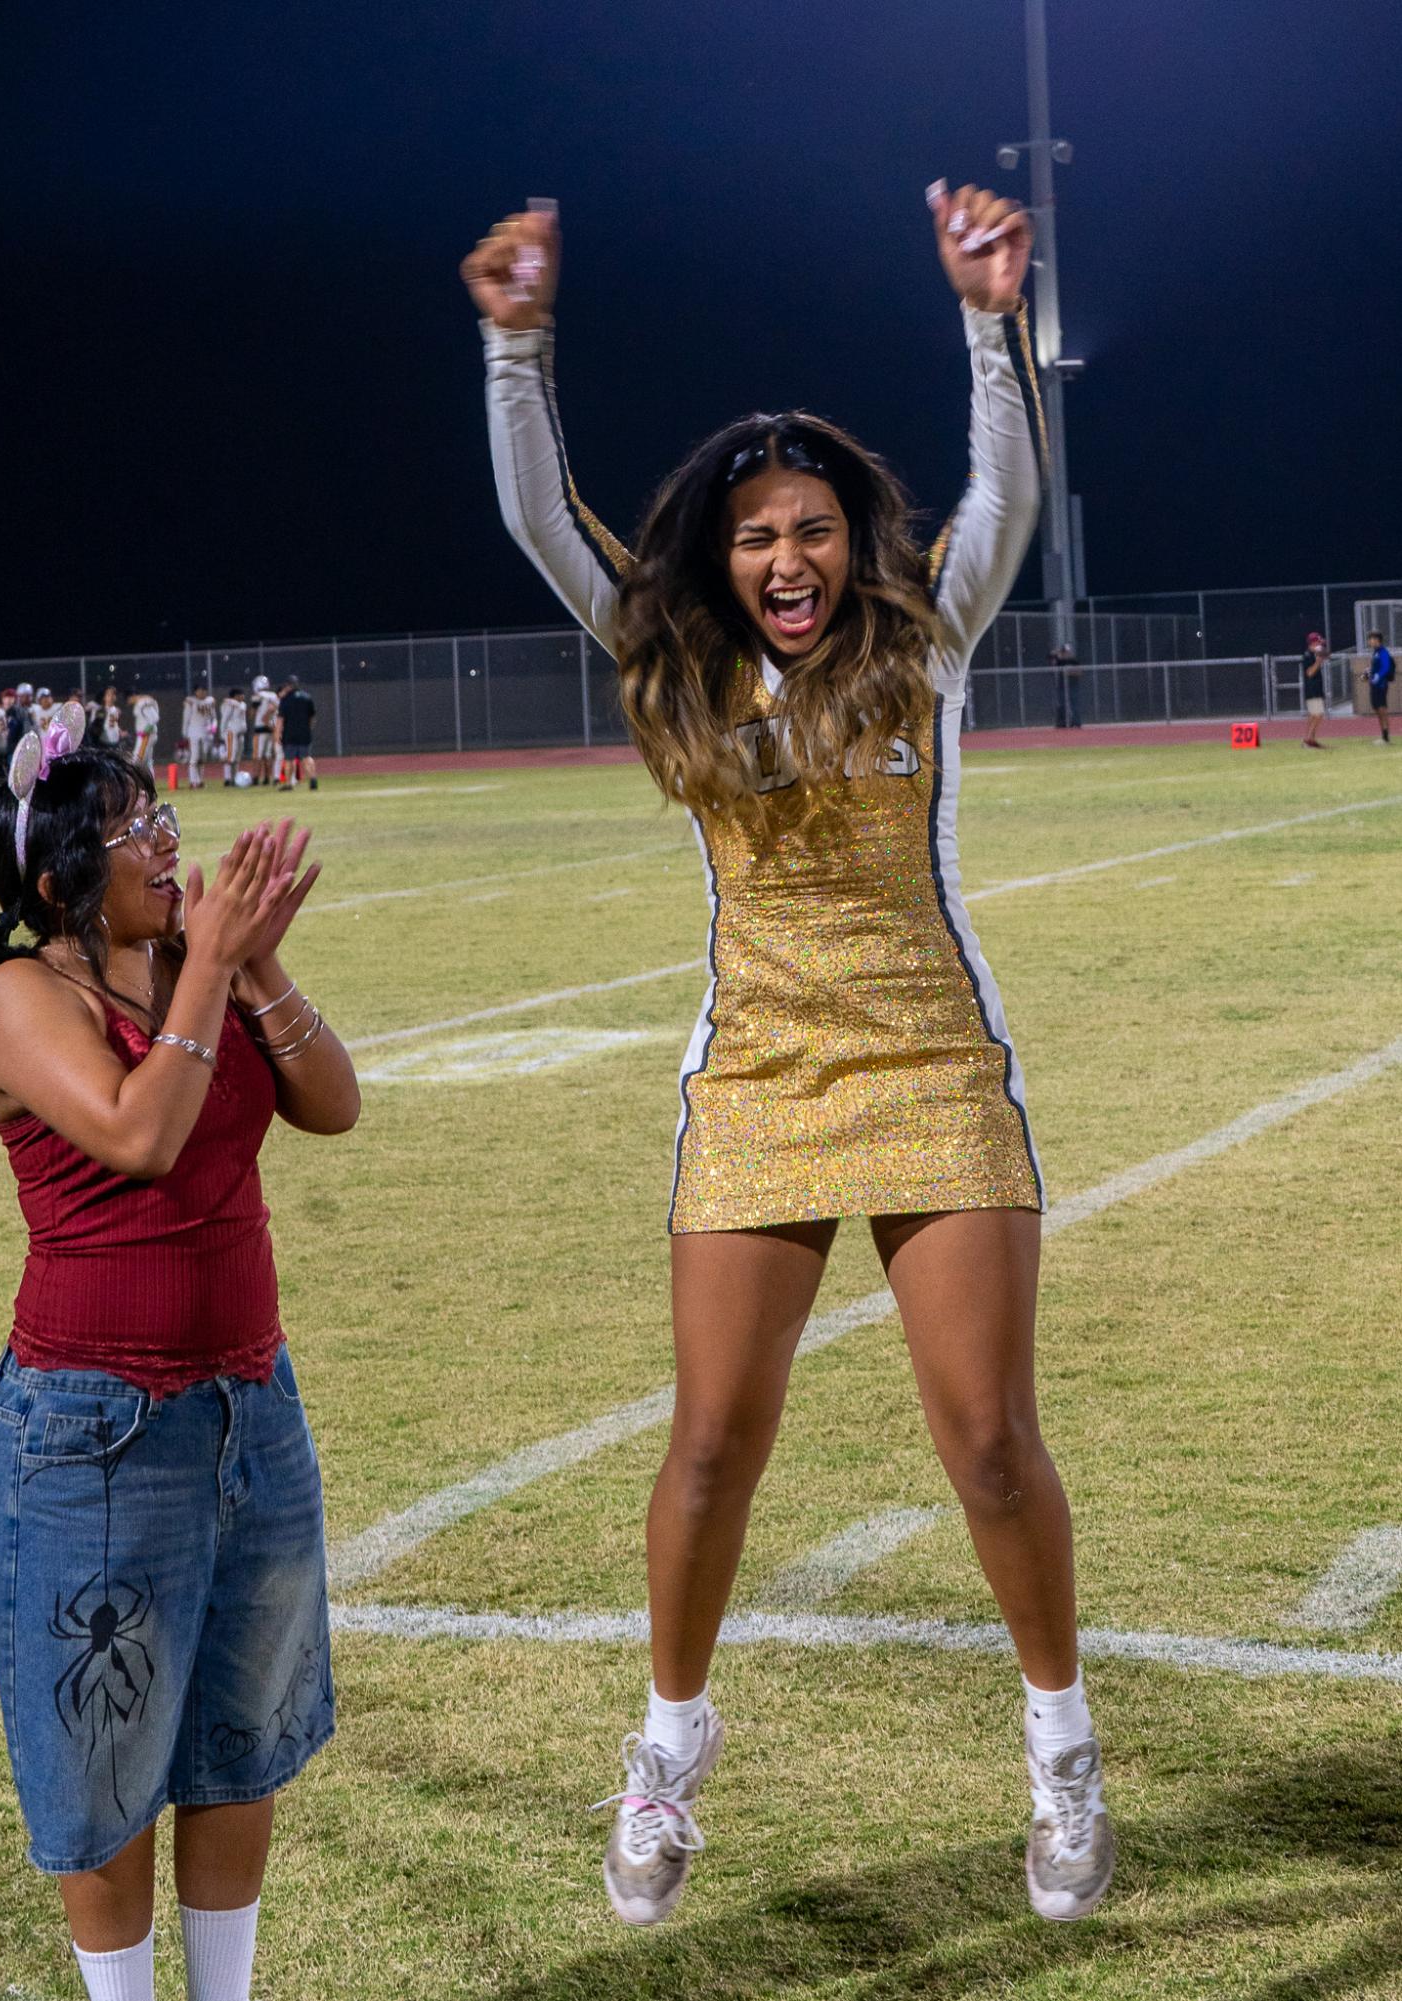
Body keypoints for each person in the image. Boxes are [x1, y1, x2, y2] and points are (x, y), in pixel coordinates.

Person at [463, 180, 1114, 1929]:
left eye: (812, 528)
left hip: (928, 1062)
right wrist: (515, 345)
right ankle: (668, 1755)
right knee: (707, 1447)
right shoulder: (674, 662)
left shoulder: (928, 640)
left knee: (986, 1441)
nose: (788, 559)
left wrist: (989, 320)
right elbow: (545, 527)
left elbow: (1014, 493)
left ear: (852, 539)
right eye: (757, 536)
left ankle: (1060, 1746)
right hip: (752, 1075)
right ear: (721, 556)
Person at [0, 705, 360, 2001]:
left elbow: (332, 1105)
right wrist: (207, 972)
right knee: (105, 1753)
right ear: (63, 875)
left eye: (164, 816)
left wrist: (260, 969)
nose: (170, 846)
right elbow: (137, 1134)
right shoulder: (21, 993)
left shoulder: (197, 961)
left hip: (249, 1404)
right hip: (92, 1431)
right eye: (136, 830)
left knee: (241, 1742)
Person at [275, 679, 317, 791]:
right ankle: (313, 779)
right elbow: (312, 716)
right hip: (304, 733)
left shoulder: (285, 699)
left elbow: (280, 719)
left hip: (290, 733)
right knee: (307, 757)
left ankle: (289, 784)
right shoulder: (307, 697)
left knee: (289, 759)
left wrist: (277, 734)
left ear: (288, 686)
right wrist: (308, 728)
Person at [182, 683, 217, 790]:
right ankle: (193, 781)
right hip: (194, 732)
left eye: (204, 690)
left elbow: (214, 717)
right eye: (200, 690)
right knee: (194, 757)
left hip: (206, 733)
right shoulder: (191, 702)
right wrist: (184, 733)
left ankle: (200, 780)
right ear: (195, 692)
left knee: (202, 758)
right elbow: (186, 719)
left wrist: (213, 728)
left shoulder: (209, 701)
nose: (202, 692)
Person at [1301, 631, 1328, 748]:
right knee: (1318, 714)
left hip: (1316, 687)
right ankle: (1309, 740)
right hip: (1312, 688)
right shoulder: (1307, 655)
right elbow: (1310, 673)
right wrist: (1318, 662)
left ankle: (1310, 739)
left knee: (1314, 715)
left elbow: (1326, 653)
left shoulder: (1314, 654)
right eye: (1317, 642)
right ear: (1312, 643)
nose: (1319, 645)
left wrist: (1321, 655)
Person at [1366, 630, 1394, 744]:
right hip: (1374, 685)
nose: (1369, 641)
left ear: (1377, 640)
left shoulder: (1383, 652)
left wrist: (1378, 676)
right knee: (1377, 709)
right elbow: (1375, 667)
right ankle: (1383, 735)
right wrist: (1368, 672)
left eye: (1371, 639)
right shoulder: (1375, 652)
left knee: (1382, 709)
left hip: (1381, 685)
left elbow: (1386, 667)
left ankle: (1386, 737)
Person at [250, 676, 279, 786]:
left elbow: (252, 713)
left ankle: (256, 778)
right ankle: (267, 778)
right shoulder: (274, 696)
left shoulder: (258, 696)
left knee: (257, 755)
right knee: (267, 755)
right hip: (271, 728)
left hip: (260, 728)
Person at [220, 687, 248, 786]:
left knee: (236, 758)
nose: (243, 696)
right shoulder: (228, 705)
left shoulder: (241, 704)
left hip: (240, 734)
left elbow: (241, 707)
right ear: (235, 696)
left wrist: (233, 702)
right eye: (241, 694)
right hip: (231, 733)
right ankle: (227, 779)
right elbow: (224, 719)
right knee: (230, 757)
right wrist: (222, 733)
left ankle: (234, 778)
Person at [1050, 642, 1082, 729]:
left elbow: (1079, 672)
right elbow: (1052, 660)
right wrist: (1056, 653)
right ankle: (1062, 723)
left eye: (1068, 652)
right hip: (1062, 686)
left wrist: (1068, 672)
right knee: (1061, 704)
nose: (1067, 654)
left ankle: (1076, 723)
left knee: (1074, 704)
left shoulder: (1074, 661)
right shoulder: (1060, 661)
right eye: (1065, 652)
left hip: (1072, 685)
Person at [130, 691, 160, 778]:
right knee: (148, 761)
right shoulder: (145, 701)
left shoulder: (141, 703)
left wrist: (147, 729)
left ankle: (140, 783)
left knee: (137, 760)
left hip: (146, 736)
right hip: (148, 735)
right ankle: (150, 783)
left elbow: (155, 718)